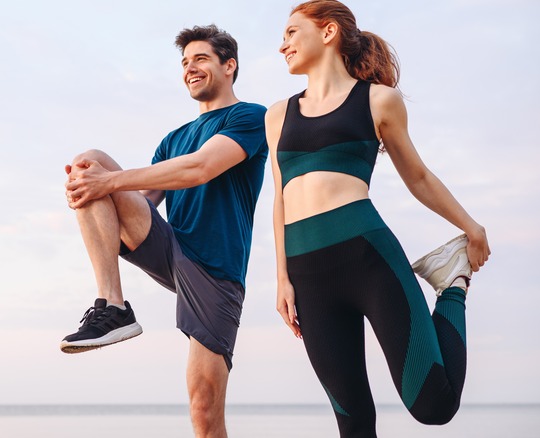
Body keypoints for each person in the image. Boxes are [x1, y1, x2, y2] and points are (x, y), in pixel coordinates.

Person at [265, 1, 490, 436]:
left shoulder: (378, 100)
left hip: (367, 258)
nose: (282, 46)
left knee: (434, 405)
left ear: (327, 32)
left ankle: (451, 284)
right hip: (307, 274)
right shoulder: (278, 114)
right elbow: (280, 198)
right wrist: (282, 279)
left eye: (292, 32)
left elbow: (418, 177)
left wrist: (471, 227)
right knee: (353, 421)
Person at [61, 24, 268, 437]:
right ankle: (113, 306)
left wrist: (107, 183)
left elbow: (201, 167)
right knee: (89, 162)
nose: (190, 68)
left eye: (201, 59)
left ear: (230, 66)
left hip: (216, 269)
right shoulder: (174, 138)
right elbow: (142, 200)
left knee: (203, 409)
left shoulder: (250, 117)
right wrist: (91, 190)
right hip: (170, 249)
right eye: (185, 62)